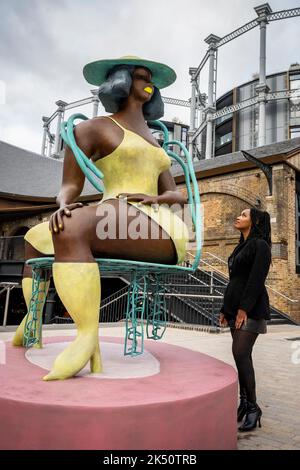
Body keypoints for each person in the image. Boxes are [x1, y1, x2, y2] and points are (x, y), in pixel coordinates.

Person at [12, 55, 189, 380]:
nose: (147, 83)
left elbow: (179, 195)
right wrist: (64, 203)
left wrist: (156, 197)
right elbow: (69, 185)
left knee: (73, 227)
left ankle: (85, 336)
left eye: (149, 78)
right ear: (121, 80)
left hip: (156, 224)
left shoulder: (156, 141)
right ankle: (33, 317)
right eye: (140, 76)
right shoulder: (91, 129)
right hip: (114, 214)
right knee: (34, 237)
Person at [219, 207, 272, 432]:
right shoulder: (241, 246)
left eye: (243, 215)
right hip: (234, 308)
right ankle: (245, 403)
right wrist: (225, 308)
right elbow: (235, 281)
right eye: (238, 213)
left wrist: (243, 309)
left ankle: (253, 408)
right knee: (241, 357)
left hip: (250, 309)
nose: (238, 217)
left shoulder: (261, 245)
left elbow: (256, 279)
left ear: (254, 222)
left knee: (241, 354)